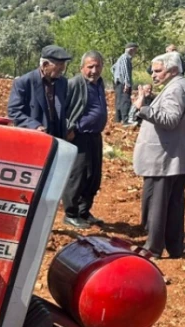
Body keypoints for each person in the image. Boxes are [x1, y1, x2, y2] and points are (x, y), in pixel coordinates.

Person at [132, 52, 185, 259]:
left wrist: (142, 108)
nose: (153, 75)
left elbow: (170, 119)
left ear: (172, 70)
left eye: (157, 70)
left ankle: (153, 248)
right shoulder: (182, 85)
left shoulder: (176, 89)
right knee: (174, 203)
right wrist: (152, 100)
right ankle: (175, 247)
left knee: (157, 203)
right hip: (176, 158)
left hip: (165, 158)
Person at [62, 51, 108, 229]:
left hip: (95, 136)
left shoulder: (99, 84)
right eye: (90, 67)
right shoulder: (74, 84)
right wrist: (69, 128)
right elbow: (61, 110)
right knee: (77, 176)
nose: (94, 70)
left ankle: (84, 211)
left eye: (97, 66)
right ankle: (71, 213)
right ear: (82, 67)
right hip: (79, 136)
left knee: (93, 176)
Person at [6, 45, 71, 139]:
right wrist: (34, 126)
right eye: (59, 64)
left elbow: (64, 109)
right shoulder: (24, 82)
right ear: (45, 65)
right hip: (34, 138)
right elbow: (14, 111)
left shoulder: (62, 82)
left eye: (63, 64)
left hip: (57, 138)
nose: (63, 68)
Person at [111, 43, 138, 124]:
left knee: (119, 101)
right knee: (125, 101)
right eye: (135, 50)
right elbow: (125, 71)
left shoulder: (121, 58)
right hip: (123, 83)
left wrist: (116, 77)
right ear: (131, 50)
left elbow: (112, 68)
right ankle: (126, 121)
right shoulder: (125, 58)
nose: (135, 53)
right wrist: (127, 83)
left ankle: (118, 119)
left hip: (118, 82)